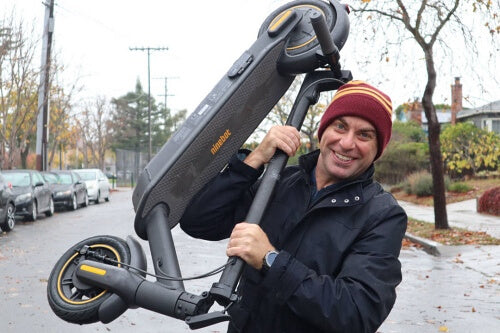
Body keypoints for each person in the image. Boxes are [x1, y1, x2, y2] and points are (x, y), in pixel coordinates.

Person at [179, 80, 407, 333]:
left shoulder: (382, 215)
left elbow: (356, 313)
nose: (346, 143)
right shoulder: (279, 181)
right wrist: (254, 160)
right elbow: (198, 221)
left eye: (364, 134)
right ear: (323, 130)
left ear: (378, 149)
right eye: (340, 126)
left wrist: (270, 260)